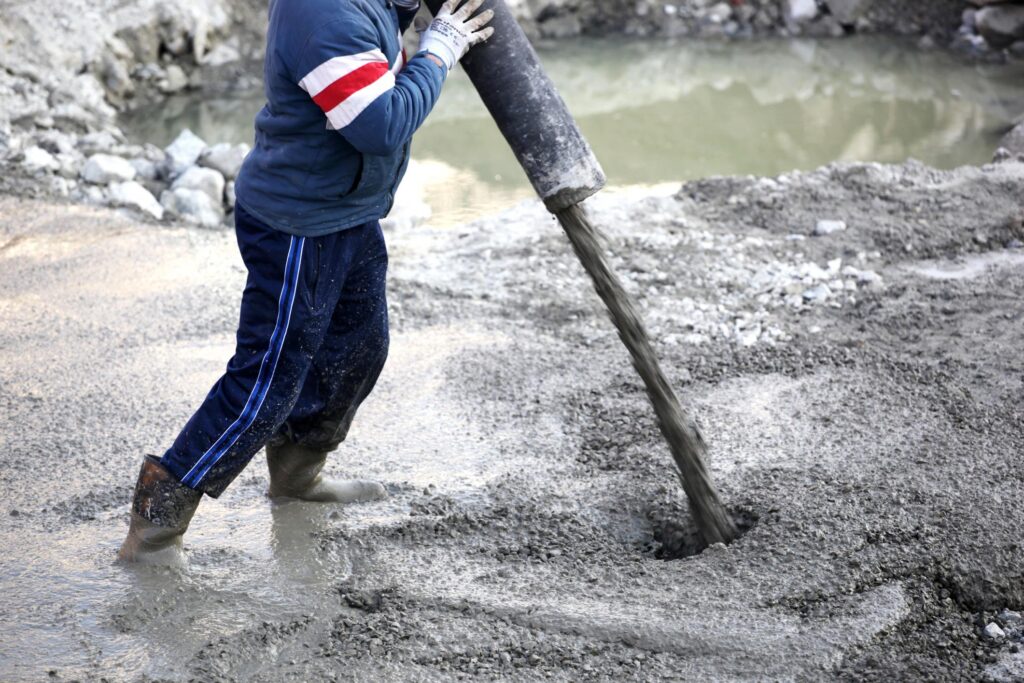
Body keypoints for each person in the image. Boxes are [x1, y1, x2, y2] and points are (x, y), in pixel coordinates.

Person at [118, 0, 495, 566]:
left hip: (346, 213)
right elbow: (381, 124)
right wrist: (439, 49)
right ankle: (157, 526)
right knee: (267, 382)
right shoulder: (324, 11)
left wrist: (414, 16)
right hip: (298, 226)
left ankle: (297, 473)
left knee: (359, 348)